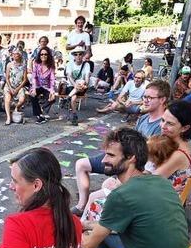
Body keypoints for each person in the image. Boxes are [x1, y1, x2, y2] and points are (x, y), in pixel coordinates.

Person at [78, 128, 189, 248]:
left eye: (110, 155)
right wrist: (90, 226)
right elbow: (121, 227)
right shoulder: (160, 181)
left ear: (131, 158)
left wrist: (76, 232)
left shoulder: (122, 195)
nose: (104, 160)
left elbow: (88, 245)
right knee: (101, 236)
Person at [71, 80, 169, 216]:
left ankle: (88, 219)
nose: (145, 100)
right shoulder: (143, 118)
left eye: (150, 97)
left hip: (132, 163)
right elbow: (131, 142)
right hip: (122, 155)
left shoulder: (163, 126)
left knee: (100, 191)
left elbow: (151, 162)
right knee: (81, 164)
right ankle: (82, 206)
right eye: (144, 97)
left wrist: (119, 179)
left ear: (162, 99)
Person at [151, 100, 191, 195]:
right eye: (162, 120)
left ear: (185, 128)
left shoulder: (178, 154)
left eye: (170, 123)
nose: (163, 126)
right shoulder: (173, 143)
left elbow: (149, 183)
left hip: (164, 205)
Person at [62, 46, 90, 125]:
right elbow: (69, 76)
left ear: (83, 55)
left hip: (82, 87)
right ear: (74, 55)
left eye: (80, 54)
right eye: (76, 54)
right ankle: (74, 115)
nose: (78, 56)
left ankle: (67, 98)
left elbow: (87, 77)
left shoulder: (86, 64)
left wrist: (86, 84)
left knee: (82, 81)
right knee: (73, 97)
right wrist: (75, 85)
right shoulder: (70, 64)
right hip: (72, 86)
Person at [29, 46, 56, 125]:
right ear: (39, 56)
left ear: (48, 56)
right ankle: (39, 115)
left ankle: (42, 109)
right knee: (32, 95)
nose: (43, 56)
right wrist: (33, 88)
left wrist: (52, 91)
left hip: (46, 87)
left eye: (45, 54)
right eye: (41, 54)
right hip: (37, 85)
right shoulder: (37, 64)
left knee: (52, 98)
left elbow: (52, 80)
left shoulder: (51, 66)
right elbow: (34, 77)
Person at [3, 47, 28, 126]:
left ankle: (15, 108)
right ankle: (8, 117)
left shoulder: (24, 65)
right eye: (14, 54)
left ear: (20, 55)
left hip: (19, 86)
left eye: (17, 54)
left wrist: (17, 89)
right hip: (9, 85)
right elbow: (7, 78)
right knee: (7, 98)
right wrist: (10, 88)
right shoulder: (9, 64)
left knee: (22, 99)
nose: (15, 55)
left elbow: (25, 79)